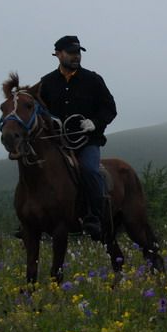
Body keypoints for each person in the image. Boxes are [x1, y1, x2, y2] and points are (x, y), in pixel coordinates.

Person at [39, 35, 117, 239]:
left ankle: (94, 217)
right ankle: (33, 219)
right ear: (58, 54)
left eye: (78, 53)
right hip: (57, 142)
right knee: (36, 169)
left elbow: (110, 108)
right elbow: (39, 112)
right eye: (71, 53)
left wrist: (96, 122)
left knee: (90, 170)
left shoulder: (93, 80)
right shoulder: (46, 83)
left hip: (86, 142)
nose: (76, 57)